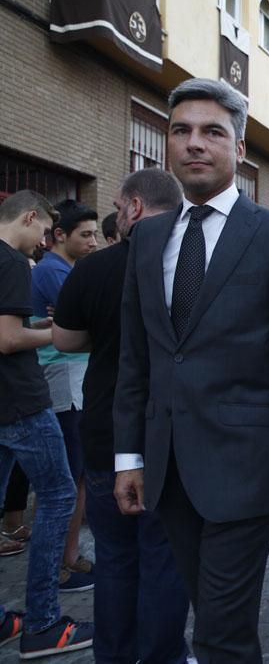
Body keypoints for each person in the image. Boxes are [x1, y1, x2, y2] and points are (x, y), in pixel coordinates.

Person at [112, 78, 269, 663]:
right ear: (167, 145)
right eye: (180, 131)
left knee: (221, 632)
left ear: (239, 150)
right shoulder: (149, 236)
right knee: (210, 615)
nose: (194, 143)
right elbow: (138, 357)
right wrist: (130, 456)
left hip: (249, 467)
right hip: (168, 467)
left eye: (212, 132)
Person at [53, 168, 191, 663]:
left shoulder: (95, 268)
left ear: (132, 208)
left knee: (114, 559)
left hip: (106, 431)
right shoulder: (189, 266)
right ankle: (164, 654)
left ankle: (114, 654)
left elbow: (65, 340)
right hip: (167, 435)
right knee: (164, 559)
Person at [0, 190, 94, 658]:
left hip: (4, 405)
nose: (43, 242)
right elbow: (9, 338)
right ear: (30, 217)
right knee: (59, 496)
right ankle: (42, 623)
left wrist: (35, 323)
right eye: (42, 231)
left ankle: (3, 621)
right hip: (21, 402)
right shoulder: (14, 262)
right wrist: (55, 332)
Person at [31, 198, 99, 592]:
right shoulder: (54, 271)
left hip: (73, 376)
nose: (93, 243)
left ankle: (69, 556)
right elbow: (85, 321)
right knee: (67, 477)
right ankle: (61, 561)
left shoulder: (66, 269)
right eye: (85, 235)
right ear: (59, 236)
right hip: (63, 376)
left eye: (94, 234)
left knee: (75, 474)